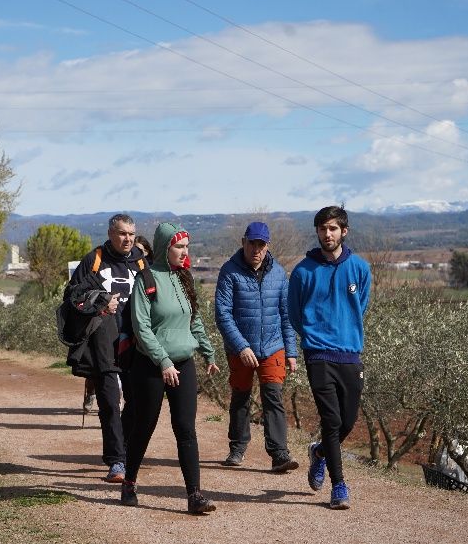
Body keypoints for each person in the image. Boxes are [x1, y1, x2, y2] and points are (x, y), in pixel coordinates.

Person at [121, 222, 220, 514]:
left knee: (186, 429)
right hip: (150, 366)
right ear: (165, 247)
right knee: (144, 426)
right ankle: (129, 483)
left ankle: (194, 495)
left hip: (183, 363)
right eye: (179, 246)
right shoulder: (146, 279)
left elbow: (194, 320)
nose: (184, 252)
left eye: (187, 247)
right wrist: (163, 361)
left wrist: (207, 351)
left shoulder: (184, 278)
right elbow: (142, 327)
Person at [287, 206, 371, 510]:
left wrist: (344, 332)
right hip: (318, 354)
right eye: (322, 228)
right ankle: (339, 487)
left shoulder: (360, 269)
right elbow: (295, 314)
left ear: (344, 232)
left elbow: (359, 307)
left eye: (333, 228)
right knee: (332, 420)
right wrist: (314, 337)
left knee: (347, 421)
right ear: (317, 232)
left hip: (350, 353)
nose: (327, 234)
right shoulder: (302, 271)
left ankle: (320, 452)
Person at [63, 214, 148, 483]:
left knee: (138, 401)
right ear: (111, 233)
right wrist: (101, 303)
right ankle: (117, 461)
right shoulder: (94, 259)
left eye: (131, 234)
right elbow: (73, 296)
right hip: (104, 340)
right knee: (110, 401)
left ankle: (122, 448)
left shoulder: (142, 261)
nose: (128, 239)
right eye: (123, 234)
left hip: (136, 341)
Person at [215, 222, 300, 472]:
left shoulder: (278, 274)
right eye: (252, 243)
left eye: (261, 244)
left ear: (267, 246)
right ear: (243, 242)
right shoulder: (229, 272)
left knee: (273, 396)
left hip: (273, 345)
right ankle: (237, 448)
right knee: (241, 396)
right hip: (240, 348)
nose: (256, 249)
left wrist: (292, 352)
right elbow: (223, 314)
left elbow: (286, 315)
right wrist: (241, 346)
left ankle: (279, 454)